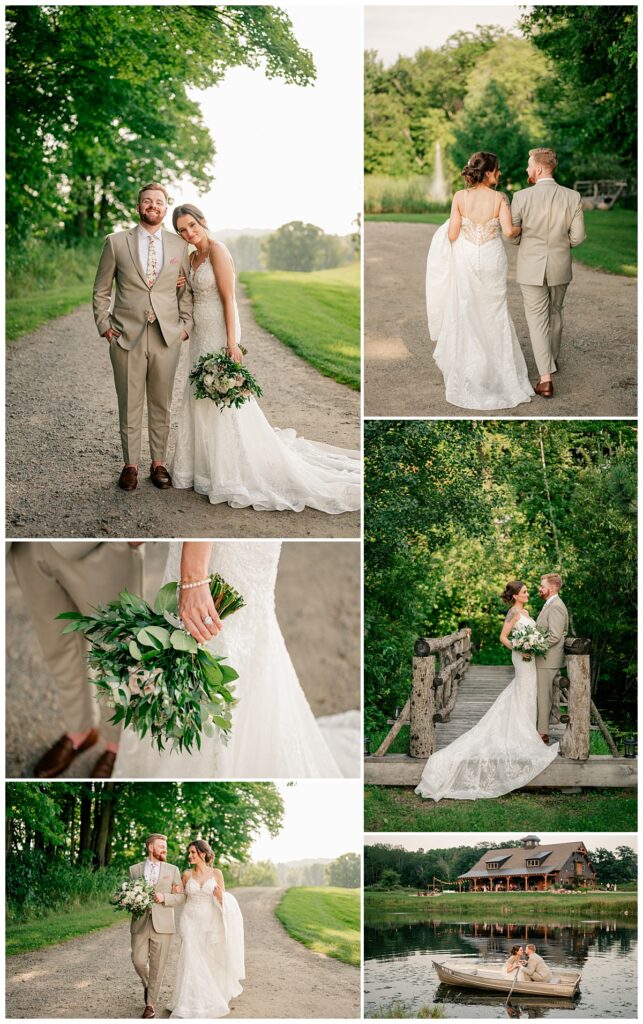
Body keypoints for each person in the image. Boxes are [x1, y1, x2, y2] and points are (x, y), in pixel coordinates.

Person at [168, 204, 361, 514]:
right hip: (200, 335)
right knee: (200, 395)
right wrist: (181, 284)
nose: (189, 232)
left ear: (202, 221)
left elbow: (229, 299)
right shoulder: (191, 258)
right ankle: (202, 467)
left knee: (224, 398)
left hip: (218, 331)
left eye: (192, 225)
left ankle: (230, 469)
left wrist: (232, 343)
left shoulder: (217, 250)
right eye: (182, 230)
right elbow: (192, 294)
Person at [113, 541, 360, 779]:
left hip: (222, 555)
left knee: (226, 634)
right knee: (196, 638)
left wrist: (194, 579)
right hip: (212, 552)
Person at [8, 541, 144, 778]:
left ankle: (118, 744)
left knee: (118, 654)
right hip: (20, 545)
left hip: (97, 543)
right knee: (57, 646)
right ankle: (80, 731)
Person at [414, 580, 558, 801]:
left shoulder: (527, 611)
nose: (528, 594)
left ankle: (527, 732)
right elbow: (503, 637)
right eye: (525, 592)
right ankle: (521, 737)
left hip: (530, 658)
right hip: (522, 658)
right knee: (523, 691)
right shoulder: (512, 614)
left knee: (528, 694)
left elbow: (533, 634)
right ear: (516, 596)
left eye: (528, 591)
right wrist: (519, 648)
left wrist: (532, 644)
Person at [92, 182, 193, 491]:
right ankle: (130, 465)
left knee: (162, 403)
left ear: (165, 208)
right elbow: (101, 290)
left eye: (159, 202)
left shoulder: (179, 246)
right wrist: (105, 327)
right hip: (126, 336)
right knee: (129, 402)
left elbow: (185, 291)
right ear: (138, 207)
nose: (153, 205)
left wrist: (185, 326)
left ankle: (158, 463)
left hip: (166, 337)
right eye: (147, 201)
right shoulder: (116, 242)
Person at [426, 151, 534, 411]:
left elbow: (452, 233)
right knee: (494, 313)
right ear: (487, 172)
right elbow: (509, 233)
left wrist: (463, 228)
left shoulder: (460, 197)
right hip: (491, 259)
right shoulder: (499, 198)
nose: (499, 174)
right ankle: (500, 375)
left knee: (467, 312)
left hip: (466, 258)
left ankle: (472, 373)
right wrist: (525, 225)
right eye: (497, 170)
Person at [510, 148, 586, 398]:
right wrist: (560, 245)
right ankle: (551, 360)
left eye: (529, 164)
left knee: (536, 320)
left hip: (531, 267)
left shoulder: (520, 197)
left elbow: (512, 236)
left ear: (539, 168)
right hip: (560, 265)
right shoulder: (572, 196)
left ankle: (545, 379)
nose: (527, 169)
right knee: (555, 312)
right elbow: (578, 237)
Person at [168, 839, 244, 1019]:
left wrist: (220, 896)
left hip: (209, 922)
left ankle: (207, 998)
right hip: (189, 920)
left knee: (206, 959)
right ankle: (188, 1002)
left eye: (193, 852)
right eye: (189, 853)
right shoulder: (186, 874)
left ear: (203, 853)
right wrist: (175, 890)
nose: (190, 856)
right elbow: (180, 897)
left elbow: (223, 901)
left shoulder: (216, 873)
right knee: (191, 958)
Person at [130, 834, 185, 1020]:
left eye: (165, 846)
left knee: (157, 966)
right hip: (140, 922)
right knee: (138, 961)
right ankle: (148, 985)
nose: (164, 849)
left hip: (164, 925)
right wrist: (129, 901)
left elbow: (181, 897)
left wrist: (165, 897)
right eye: (161, 846)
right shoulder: (134, 870)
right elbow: (129, 894)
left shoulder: (173, 870)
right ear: (150, 848)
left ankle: (150, 1005)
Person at [535, 573, 569, 743]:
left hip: (548, 659)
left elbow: (555, 636)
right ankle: (542, 728)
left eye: (542, 586)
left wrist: (534, 646)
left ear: (552, 587)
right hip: (546, 659)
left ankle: (542, 733)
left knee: (544, 696)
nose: (539, 589)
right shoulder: (550, 604)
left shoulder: (556, 606)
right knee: (544, 695)